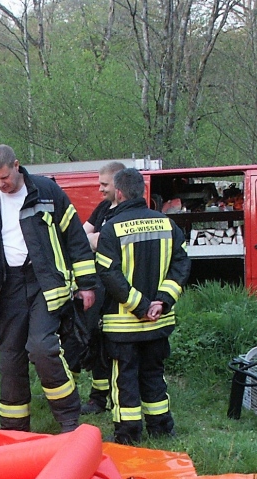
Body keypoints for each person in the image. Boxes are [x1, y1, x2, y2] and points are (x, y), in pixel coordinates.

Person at [0, 144, 96, 433]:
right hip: (6, 285)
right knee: (10, 358)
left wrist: (86, 284)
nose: (0, 184)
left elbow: (75, 237)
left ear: (16, 165)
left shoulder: (47, 192)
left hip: (44, 284)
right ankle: (14, 430)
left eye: (4, 178)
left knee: (42, 348)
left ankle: (69, 419)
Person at [94, 167, 190, 445]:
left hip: (124, 325)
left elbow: (109, 275)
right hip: (158, 322)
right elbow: (181, 264)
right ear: (143, 192)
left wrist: (140, 305)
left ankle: (128, 434)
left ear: (119, 193)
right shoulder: (167, 224)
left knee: (124, 380)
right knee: (153, 375)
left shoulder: (111, 228)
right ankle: (161, 428)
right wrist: (162, 301)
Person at [80, 160, 127, 414]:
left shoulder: (125, 212)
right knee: (94, 342)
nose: (99, 189)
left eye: (104, 184)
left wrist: (90, 240)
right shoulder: (103, 208)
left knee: (114, 344)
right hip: (98, 285)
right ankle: (98, 398)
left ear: (119, 186)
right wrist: (86, 240)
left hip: (117, 288)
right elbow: (82, 235)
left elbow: (102, 241)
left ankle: (117, 398)